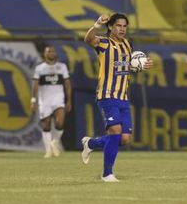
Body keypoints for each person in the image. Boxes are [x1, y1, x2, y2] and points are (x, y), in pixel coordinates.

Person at [80, 13, 153, 182]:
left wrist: (141, 65)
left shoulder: (127, 45)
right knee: (115, 132)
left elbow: (127, 66)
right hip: (106, 95)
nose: (122, 29)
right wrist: (97, 23)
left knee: (124, 139)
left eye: (124, 26)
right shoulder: (105, 43)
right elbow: (88, 39)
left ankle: (90, 144)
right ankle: (107, 174)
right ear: (111, 27)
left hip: (123, 97)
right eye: (118, 26)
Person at [31, 45, 72, 158]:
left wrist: (69, 100)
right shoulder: (40, 68)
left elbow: (67, 84)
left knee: (60, 123)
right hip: (44, 100)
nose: (51, 53)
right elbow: (35, 85)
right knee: (46, 125)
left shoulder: (62, 67)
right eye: (49, 51)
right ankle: (48, 150)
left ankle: (55, 142)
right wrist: (33, 100)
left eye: (53, 51)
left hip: (58, 99)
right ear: (44, 54)